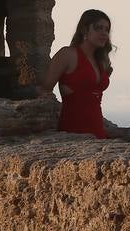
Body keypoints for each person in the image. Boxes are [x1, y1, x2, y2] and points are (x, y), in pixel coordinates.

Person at [42, 9, 113, 137]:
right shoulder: (67, 54)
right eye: (98, 28)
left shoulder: (101, 61)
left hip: (98, 131)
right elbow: (45, 89)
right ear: (84, 30)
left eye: (107, 29)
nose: (104, 33)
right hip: (73, 130)